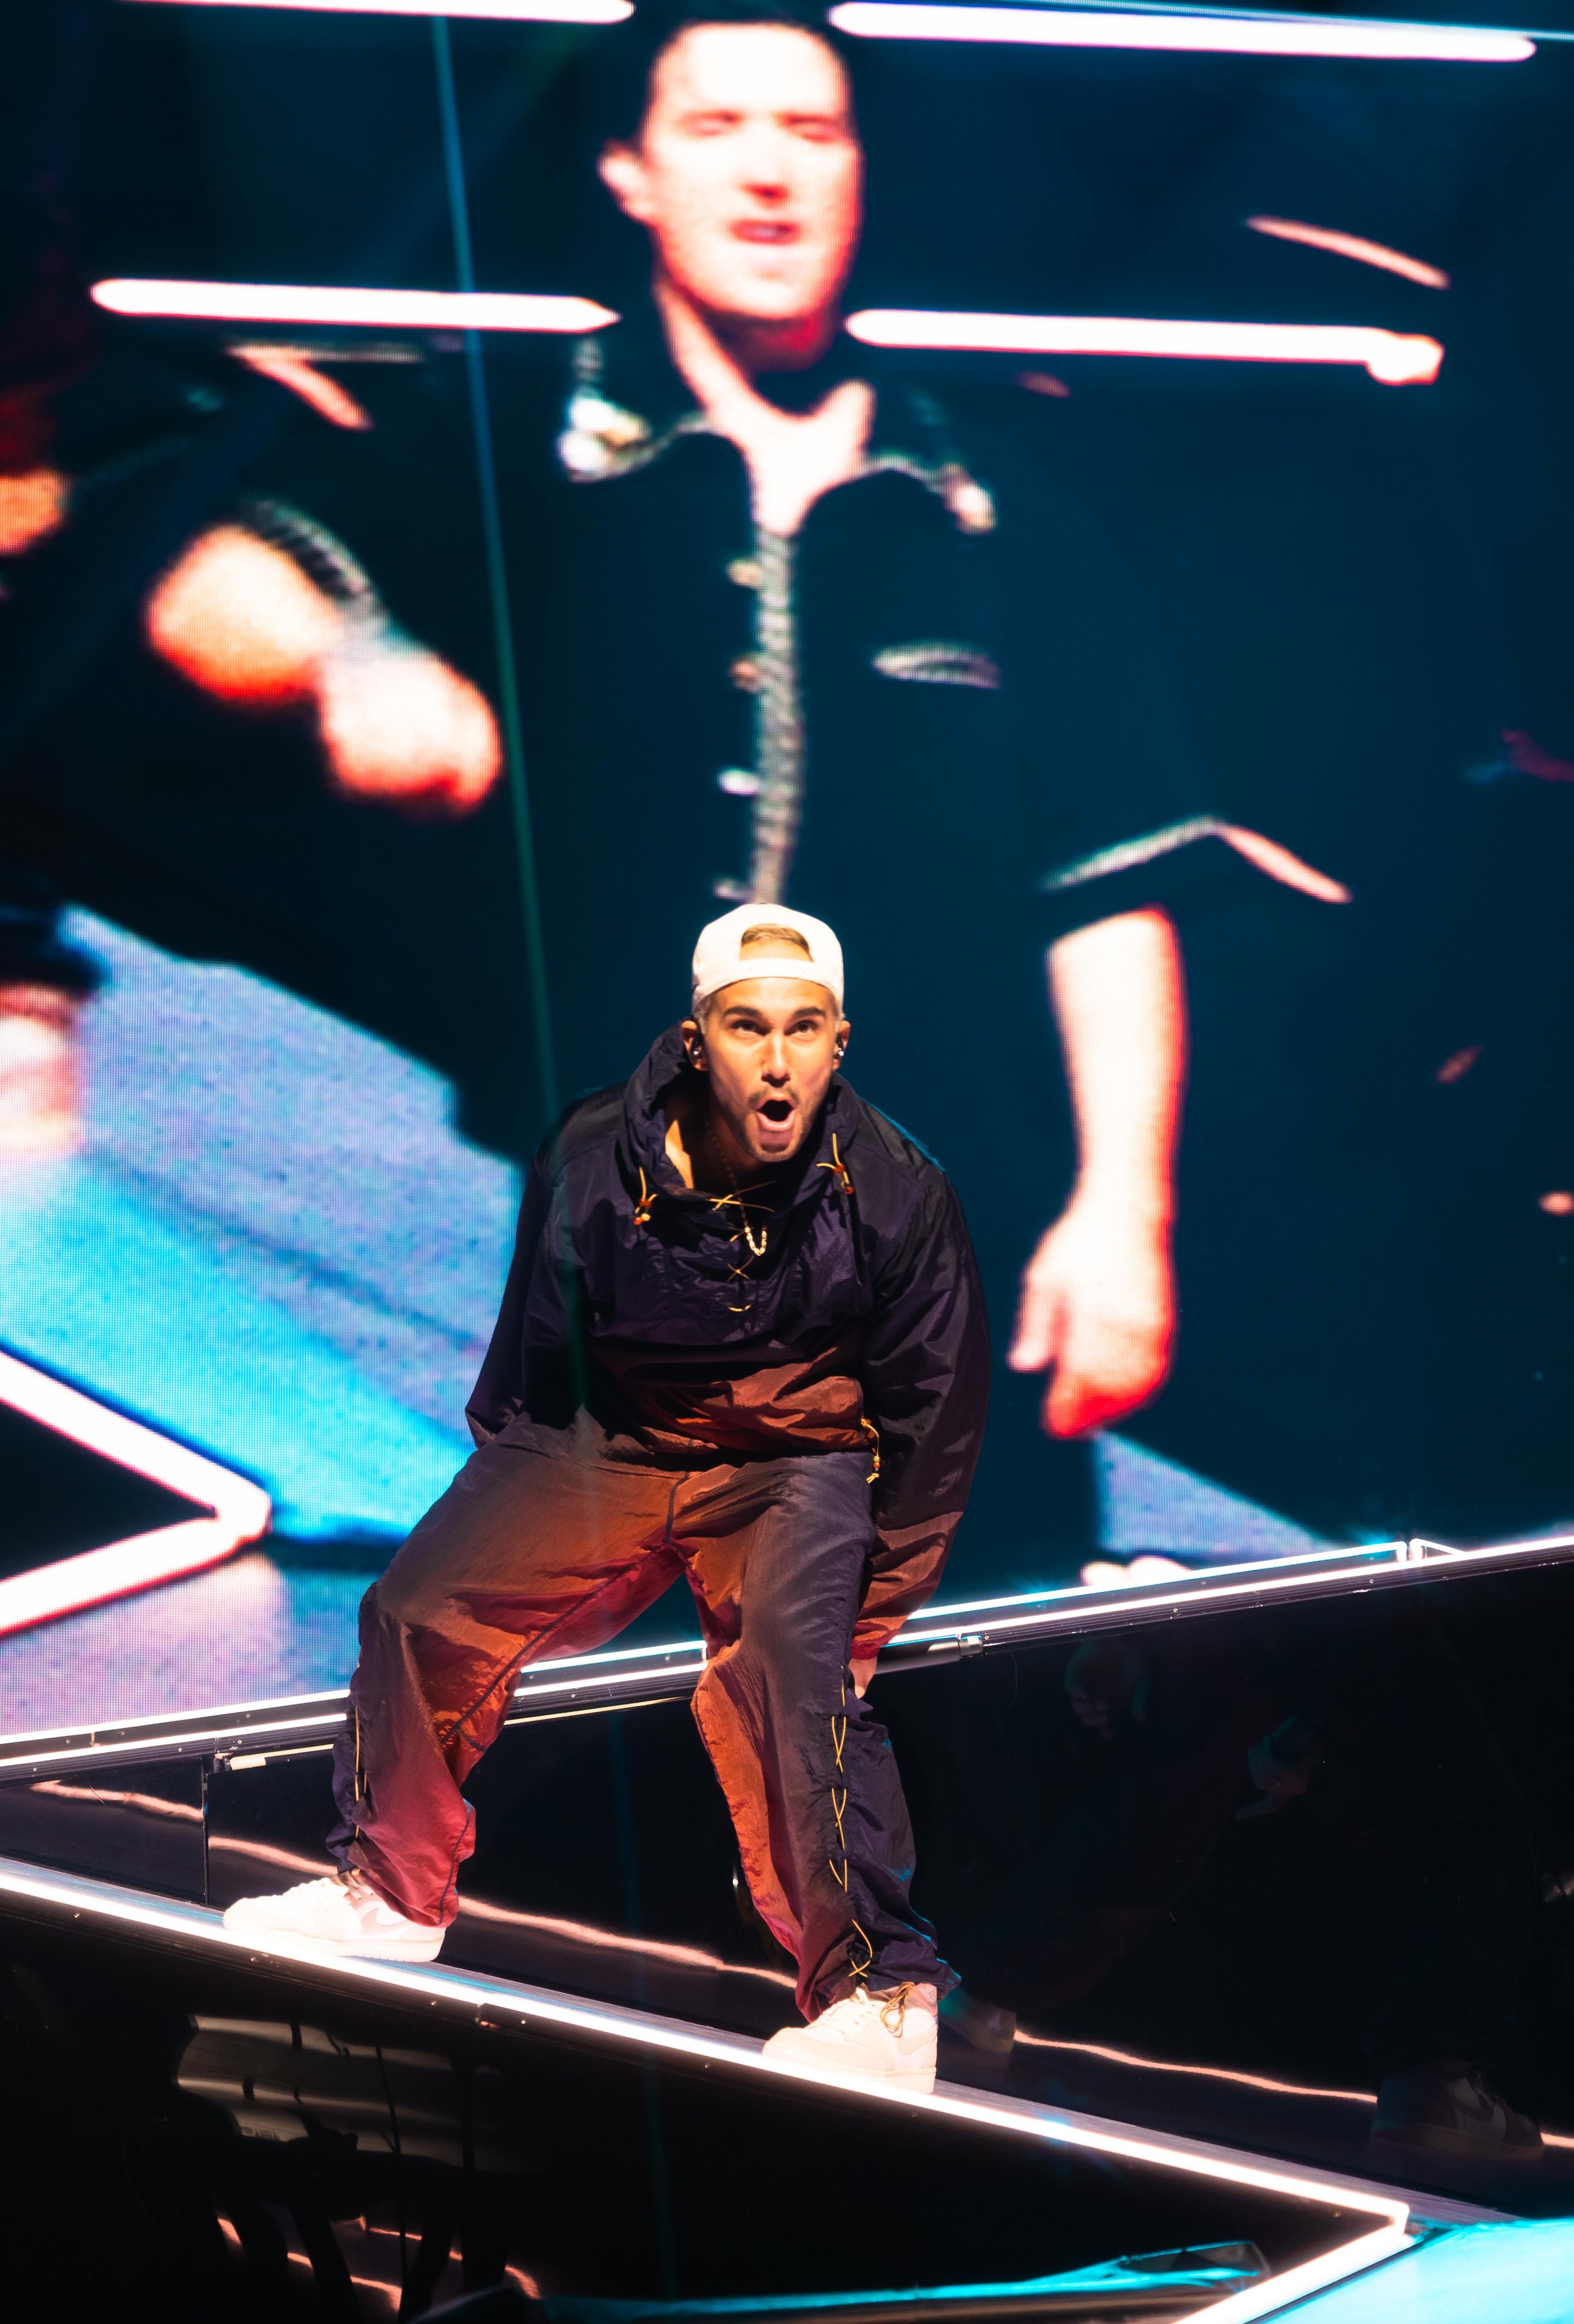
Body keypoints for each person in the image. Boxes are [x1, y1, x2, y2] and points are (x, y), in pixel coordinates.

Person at [223, 903, 990, 2090]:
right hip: (615, 1437)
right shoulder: (591, 1151)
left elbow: (934, 1419)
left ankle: (879, 1997)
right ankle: (389, 1892)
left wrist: (868, 1612)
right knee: (414, 1610)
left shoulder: (897, 1190)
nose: (776, 1060)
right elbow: (536, 1339)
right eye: (747, 1027)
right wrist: (506, 1494)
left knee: (795, 1681)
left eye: (803, 1029)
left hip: (794, 1459)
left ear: (840, 1042)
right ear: (696, 1039)